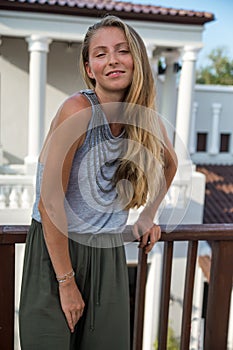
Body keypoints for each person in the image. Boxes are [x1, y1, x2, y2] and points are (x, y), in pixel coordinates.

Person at [19, 15, 177, 350]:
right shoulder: (78, 110)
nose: (113, 60)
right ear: (90, 68)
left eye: (122, 50)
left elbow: (169, 163)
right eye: (101, 53)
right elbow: (50, 201)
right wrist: (66, 282)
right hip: (56, 252)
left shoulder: (143, 117)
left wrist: (148, 215)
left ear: (137, 60)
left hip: (107, 255)